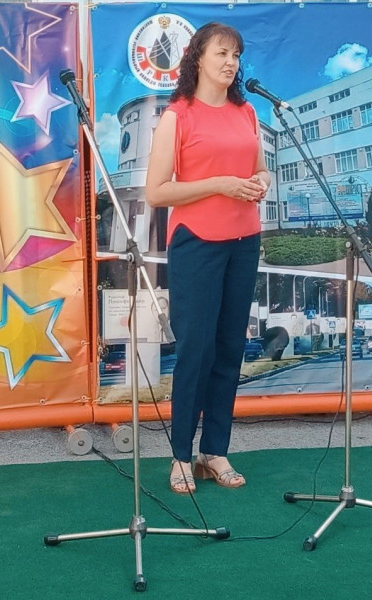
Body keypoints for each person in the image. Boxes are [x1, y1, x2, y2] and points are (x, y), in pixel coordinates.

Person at [145, 22, 270, 494]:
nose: (231, 63)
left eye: (236, 55)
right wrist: (219, 184)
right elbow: (157, 192)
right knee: (195, 350)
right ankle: (180, 455)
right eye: (222, 53)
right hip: (196, 243)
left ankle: (214, 452)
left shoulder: (247, 111)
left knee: (229, 349)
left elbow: (259, 168)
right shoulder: (178, 116)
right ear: (197, 57)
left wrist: (262, 182)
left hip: (244, 241)